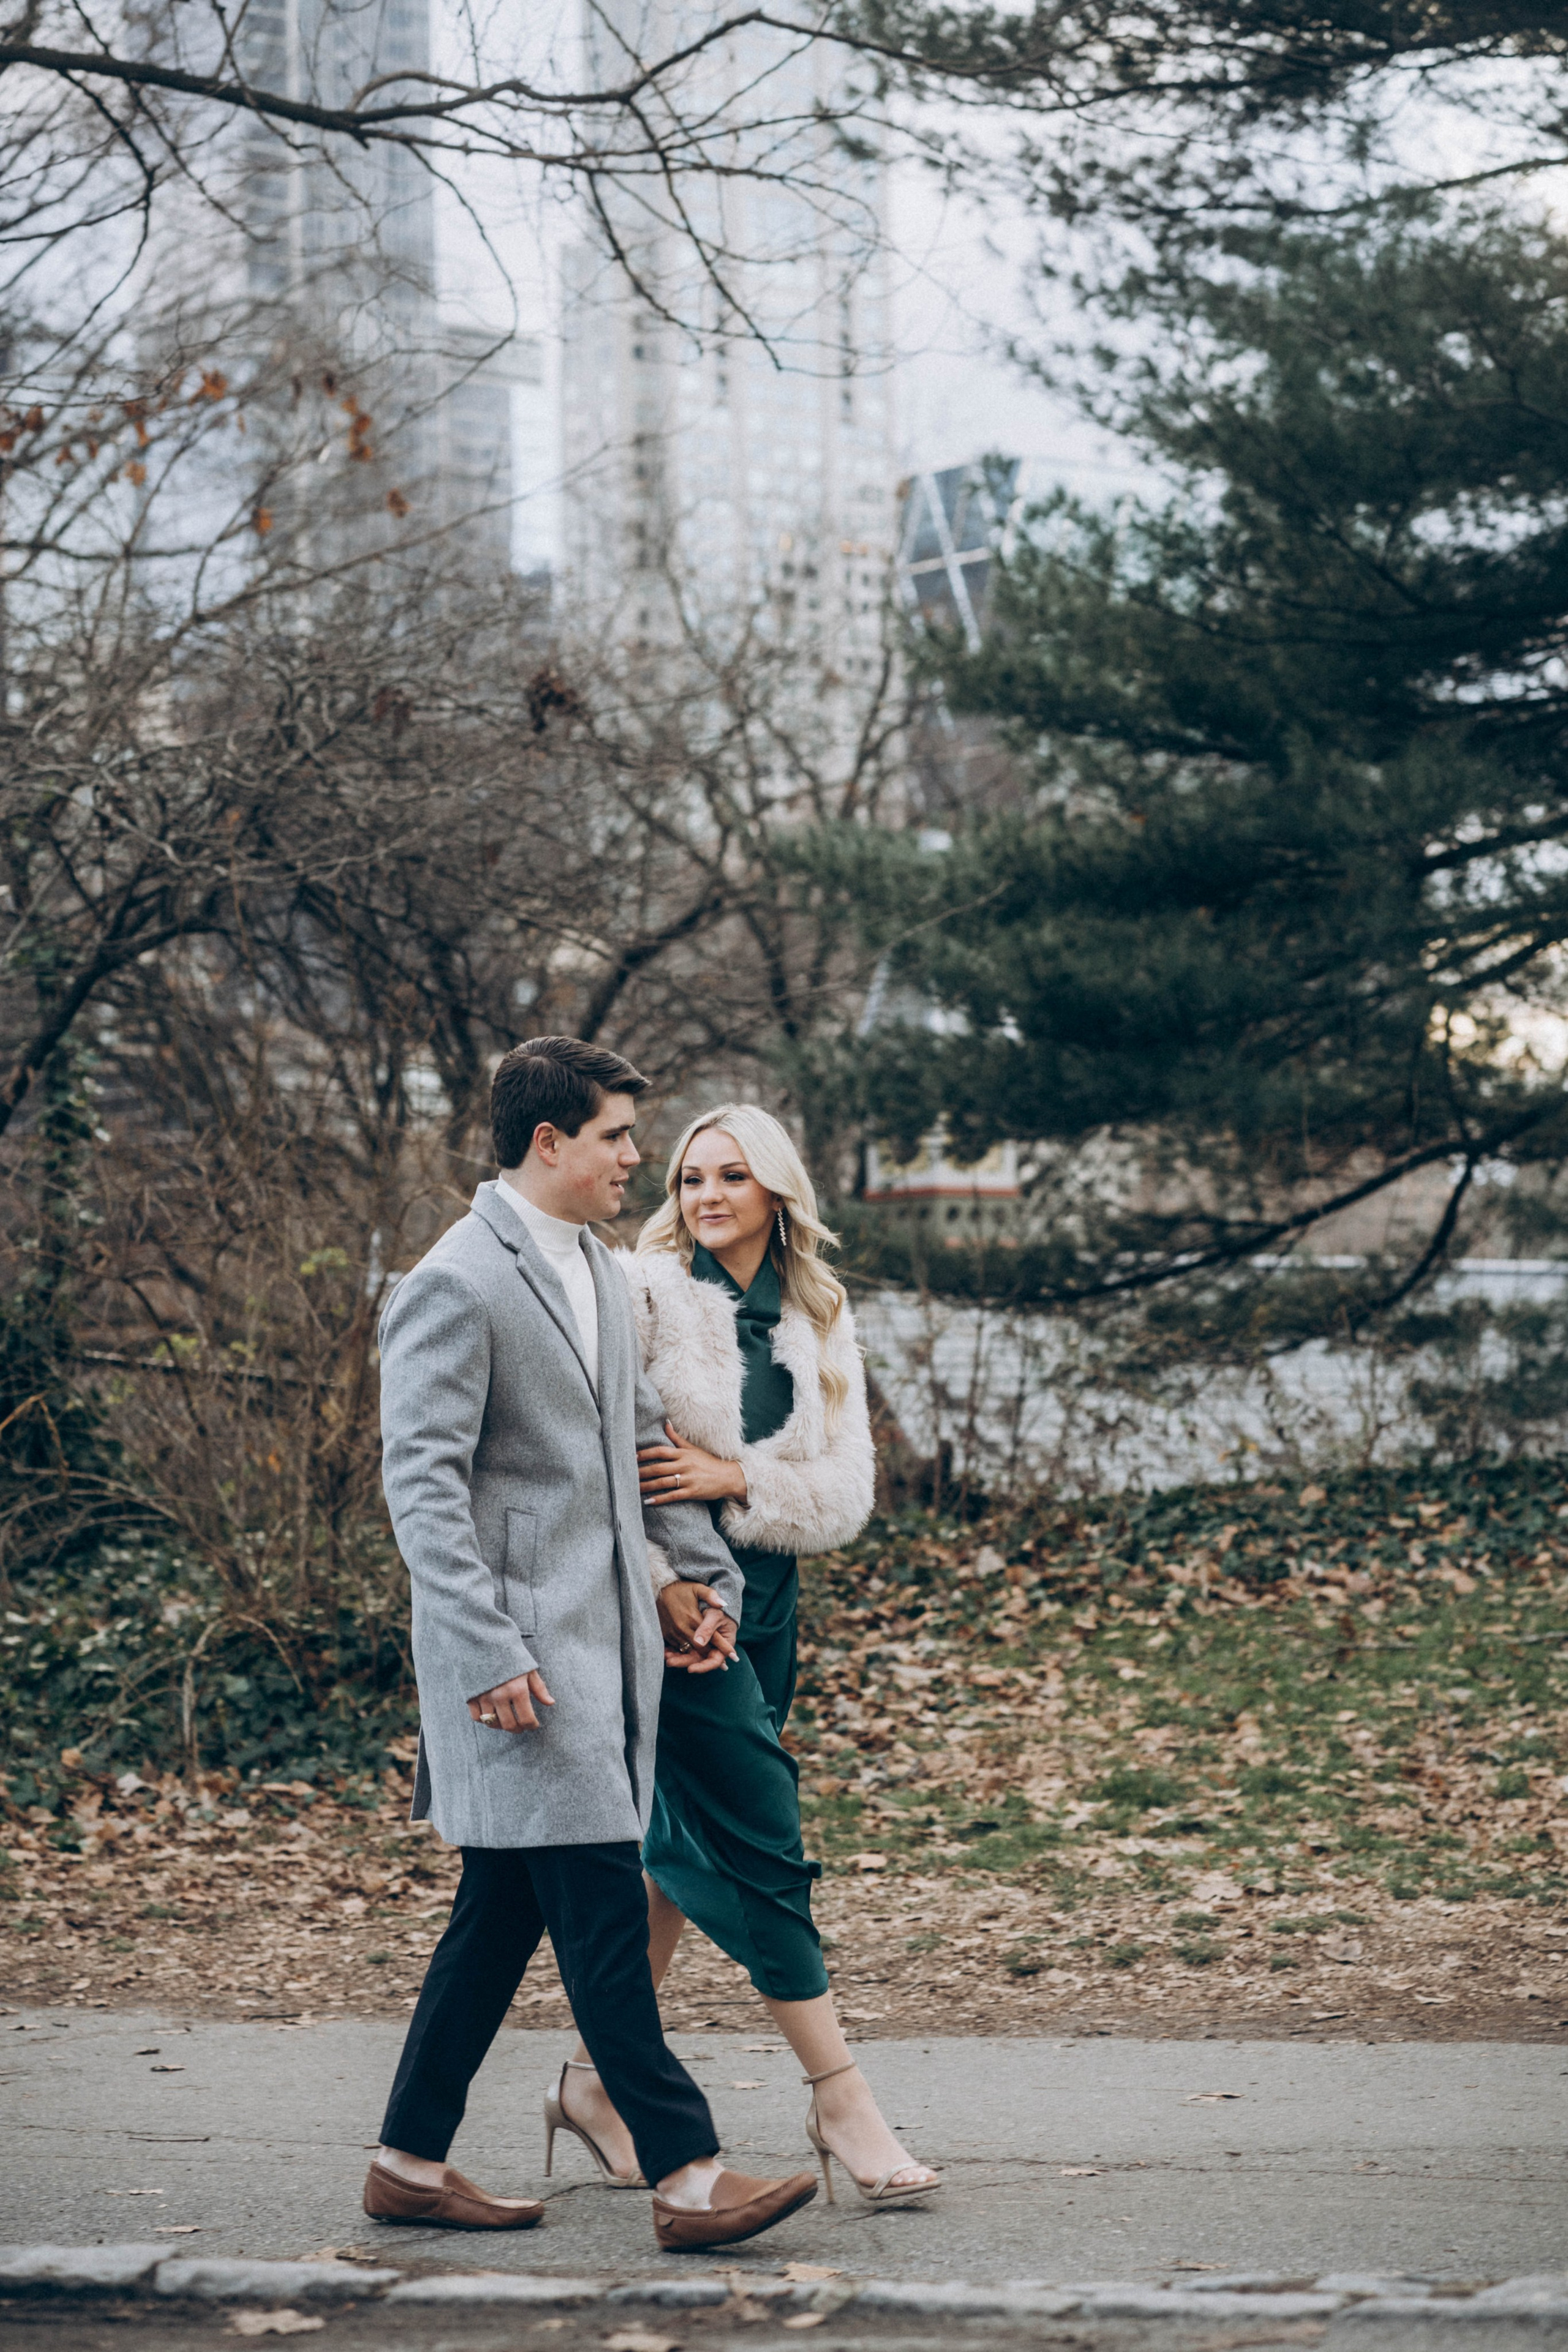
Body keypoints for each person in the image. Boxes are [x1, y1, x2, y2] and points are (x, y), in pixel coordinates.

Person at [365, 1040, 818, 2253]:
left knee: (499, 1915)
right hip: (524, 1671)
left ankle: (407, 2161)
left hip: (605, 1656)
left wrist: (698, 1579)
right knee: (604, 1913)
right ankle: (686, 2175)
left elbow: (639, 1447)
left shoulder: (604, 1273)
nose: (637, 1158)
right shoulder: (455, 1283)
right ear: (549, 1143)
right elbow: (422, 1492)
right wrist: (486, 1652)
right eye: (618, 1135)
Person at [552, 1104, 940, 2210]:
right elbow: (602, 1461)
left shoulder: (820, 1310)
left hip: (770, 1608)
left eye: (730, 1176)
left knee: (678, 1849)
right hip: (676, 1612)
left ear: (777, 1191)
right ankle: (841, 2098)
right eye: (687, 1178)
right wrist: (667, 1578)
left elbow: (848, 1491)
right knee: (765, 1843)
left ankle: (593, 2086)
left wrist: (740, 1481)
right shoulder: (642, 1292)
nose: (705, 1195)